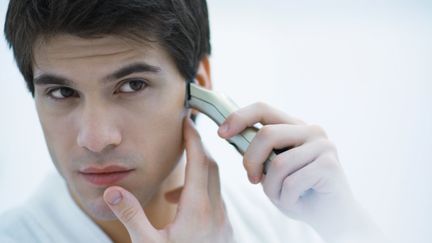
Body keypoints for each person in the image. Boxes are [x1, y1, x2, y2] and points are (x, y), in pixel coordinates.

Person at [1, 0, 385, 242]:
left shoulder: (284, 227)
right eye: (62, 93)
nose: (96, 139)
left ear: (199, 88)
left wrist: (347, 226)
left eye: (132, 85)